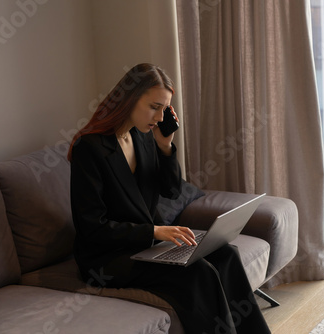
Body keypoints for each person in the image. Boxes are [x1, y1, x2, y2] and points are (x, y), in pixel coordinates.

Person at [67, 63, 271, 334]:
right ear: (129, 99)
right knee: (199, 273)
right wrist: (155, 231)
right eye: (154, 106)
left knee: (226, 254)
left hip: (147, 245)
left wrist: (165, 145)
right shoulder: (89, 148)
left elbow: (172, 191)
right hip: (107, 258)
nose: (160, 116)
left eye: (165, 109)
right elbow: (92, 228)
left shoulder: (144, 137)